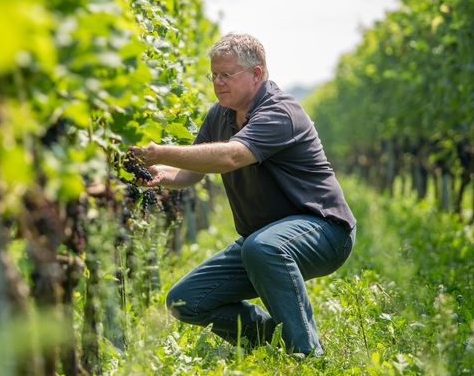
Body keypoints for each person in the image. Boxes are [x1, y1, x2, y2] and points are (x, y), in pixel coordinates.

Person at [130, 32, 356, 356]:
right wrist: (161, 175)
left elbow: (230, 157)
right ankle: (275, 338)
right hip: (261, 242)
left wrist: (158, 152)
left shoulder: (281, 112)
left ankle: (306, 354)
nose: (218, 82)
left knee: (262, 248)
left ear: (256, 74)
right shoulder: (219, 115)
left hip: (324, 230)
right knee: (185, 302)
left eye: (226, 74)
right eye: (214, 75)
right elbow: (195, 170)